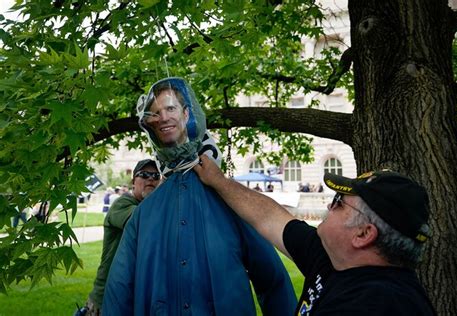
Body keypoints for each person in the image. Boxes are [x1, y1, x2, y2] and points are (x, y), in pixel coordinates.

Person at [102, 77, 296, 315]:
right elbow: (118, 291)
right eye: (156, 113)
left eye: (170, 108)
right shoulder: (143, 214)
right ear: (151, 126)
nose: (163, 117)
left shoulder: (231, 200)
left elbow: (272, 279)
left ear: (186, 114)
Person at [194, 157, 436, 315]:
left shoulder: (378, 305)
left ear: (363, 234)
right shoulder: (335, 259)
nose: (329, 207)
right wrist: (218, 180)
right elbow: (268, 217)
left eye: (339, 202)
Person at [83, 159, 160, 316]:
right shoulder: (122, 204)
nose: (151, 178)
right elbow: (142, 221)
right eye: (144, 174)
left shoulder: (156, 209)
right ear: (133, 182)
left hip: (135, 296)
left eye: (156, 175)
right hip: (107, 297)